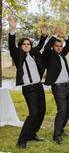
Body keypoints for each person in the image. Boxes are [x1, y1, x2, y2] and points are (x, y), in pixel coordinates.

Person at [7, 16, 47, 149]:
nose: (27, 46)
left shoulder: (33, 53)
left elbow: (40, 45)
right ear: (21, 46)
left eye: (28, 44)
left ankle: (32, 134)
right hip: (29, 89)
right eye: (24, 44)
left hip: (39, 86)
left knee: (41, 112)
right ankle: (21, 141)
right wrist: (12, 29)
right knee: (33, 113)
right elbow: (11, 46)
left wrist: (43, 35)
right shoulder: (17, 55)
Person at [42, 27, 69, 144]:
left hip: (67, 86)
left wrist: (64, 36)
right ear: (53, 47)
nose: (59, 48)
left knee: (68, 109)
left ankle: (61, 129)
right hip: (58, 87)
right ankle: (57, 135)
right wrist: (54, 35)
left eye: (60, 46)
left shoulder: (62, 54)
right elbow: (45, 47)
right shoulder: (49, 55)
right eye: (56, 46)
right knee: (62, 110)